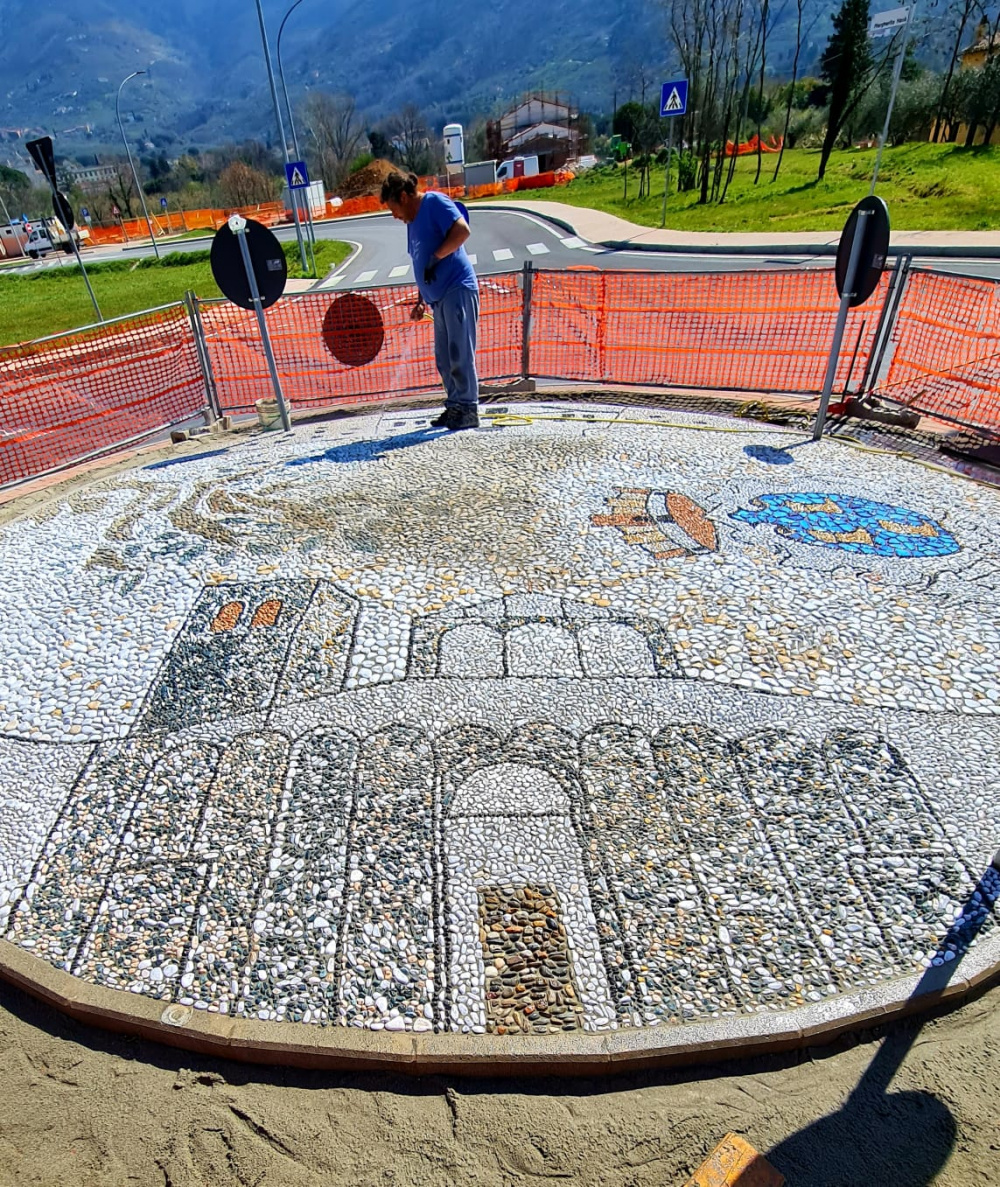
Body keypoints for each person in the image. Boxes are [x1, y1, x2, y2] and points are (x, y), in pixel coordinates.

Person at [381, 171, 480, 431]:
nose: (395, 216)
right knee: (444, 357)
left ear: (403, 197)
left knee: (460, 352)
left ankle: (467, 408)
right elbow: (419, 262)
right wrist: (421, 299)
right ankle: (454, 406)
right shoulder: (412, 222)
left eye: (394, 209)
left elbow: (462, 231)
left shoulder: (434, 203)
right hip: (437, 298)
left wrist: (437, 256)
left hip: (457, 288)